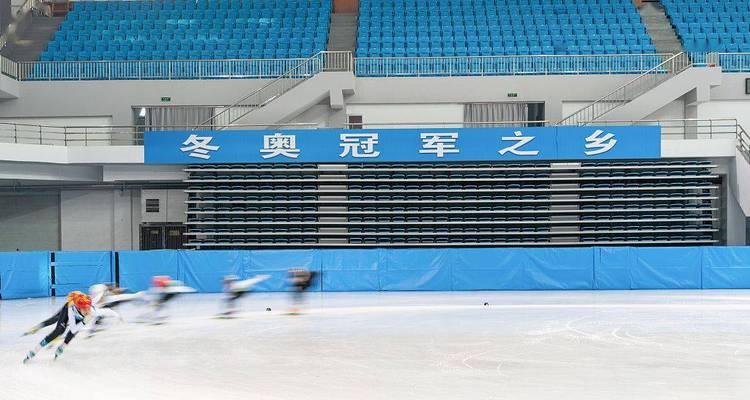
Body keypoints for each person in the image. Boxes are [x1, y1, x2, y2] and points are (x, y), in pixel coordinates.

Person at [23, 292, 95, 363]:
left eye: (88, 308)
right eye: (85, 309)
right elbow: (73, 329)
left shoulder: (91, 311)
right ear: (79, 308)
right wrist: (84, 322)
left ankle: (62, 346)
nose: (88, 311)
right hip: (68, 310)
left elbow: (74, 331)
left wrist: (63, 345)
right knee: (59, 330)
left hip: (77, 311)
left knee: (74, 330)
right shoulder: (71, 309)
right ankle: (35, 350)